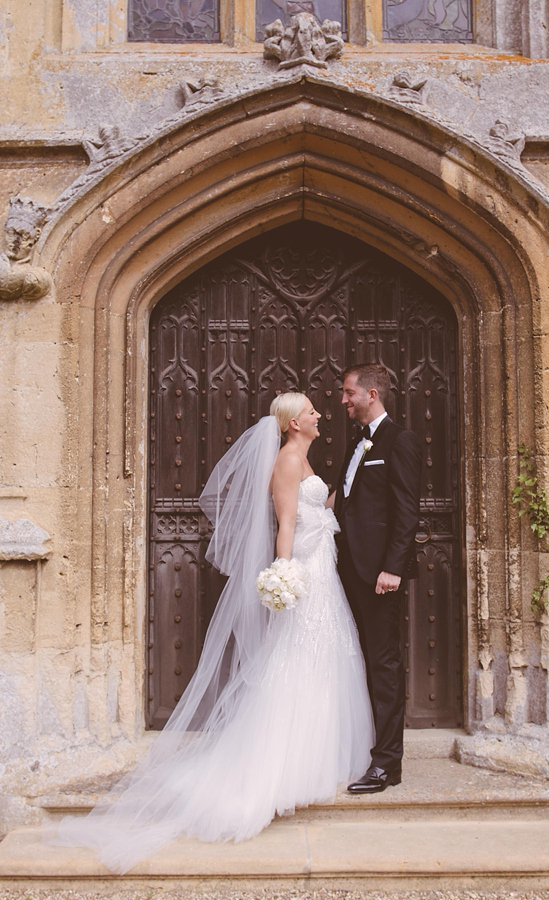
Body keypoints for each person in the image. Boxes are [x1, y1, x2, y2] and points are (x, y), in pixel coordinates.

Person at [50, 392, 373, 874]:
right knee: (297, 661)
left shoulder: (303, 458)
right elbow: (286, 524)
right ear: (291, 423)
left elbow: (318, 510)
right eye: (310, 411)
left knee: (322, 659)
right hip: (306, 572)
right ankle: (278, 770)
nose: (318, 414)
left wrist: (352, 481)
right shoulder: (287, 461)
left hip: (323, 569)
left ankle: (316, 762)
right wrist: (284, 576)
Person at [332, 364, 422, 794]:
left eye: (349, 393)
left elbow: (406, 511)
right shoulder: (358, 442)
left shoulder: (399, 440)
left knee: (384, 665)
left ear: (371, 393)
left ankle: (387, 765)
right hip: (348, 571)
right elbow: (348, 501)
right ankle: (359, 749)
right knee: (358, 661)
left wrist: (393, 568)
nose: (343, 400)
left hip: (379, 575)